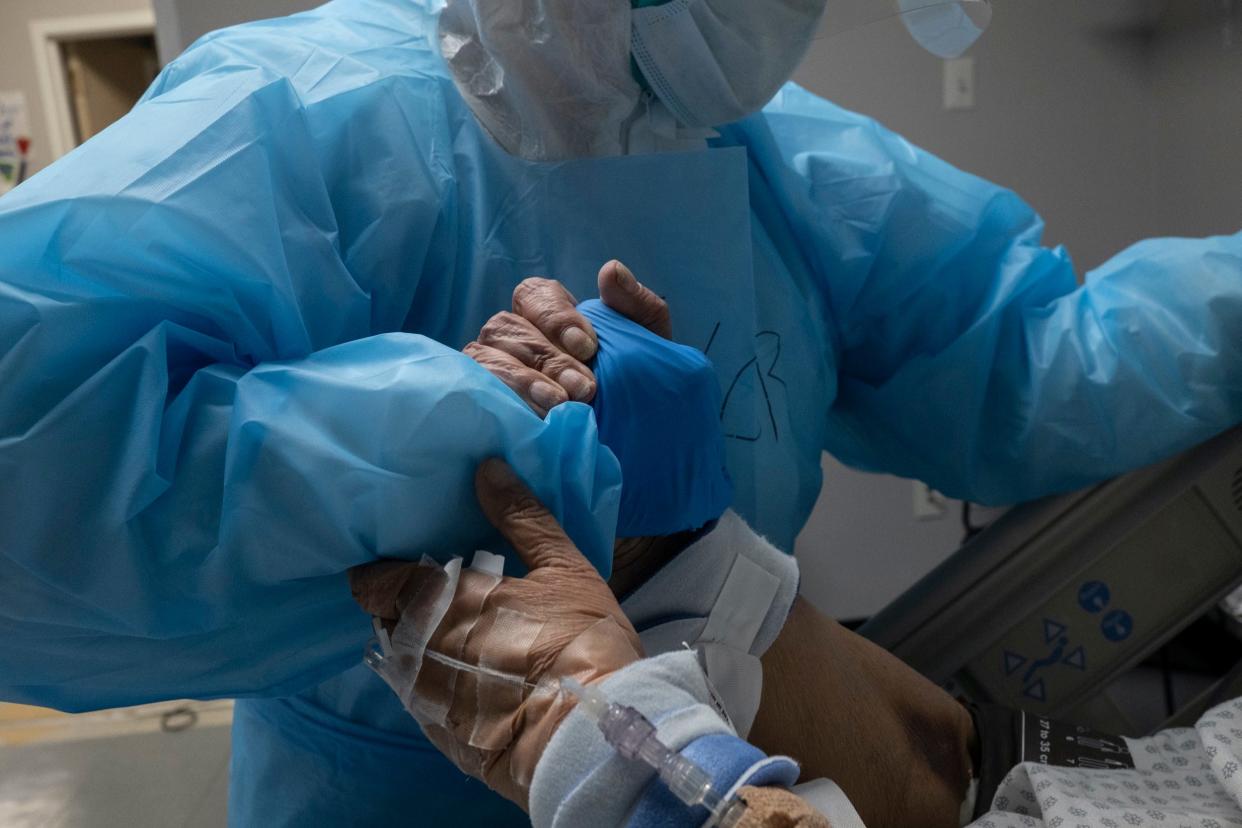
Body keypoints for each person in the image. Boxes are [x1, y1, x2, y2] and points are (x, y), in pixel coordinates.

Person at [0, 0, 1240, 825]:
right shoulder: (316, 110)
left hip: (730, 762)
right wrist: (481, 444)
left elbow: (1021, 362)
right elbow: (39, 461)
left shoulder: (785, 161)